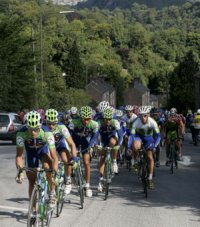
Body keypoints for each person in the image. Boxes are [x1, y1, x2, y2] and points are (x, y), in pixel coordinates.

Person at [15, 110, 58, 209]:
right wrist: (20, 172)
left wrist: (54, 172)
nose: (33, 132)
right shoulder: (21, 134)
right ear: (26, 126)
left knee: (48, 167)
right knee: (31, 180)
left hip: (43, 151)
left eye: (35, 129)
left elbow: (54, 157)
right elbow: (19, 156)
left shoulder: (47, 133)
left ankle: (52, 193)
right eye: (30, 129)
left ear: (39, 126)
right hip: (31, 154)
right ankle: (33, 210)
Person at [45, 109, 77, 195]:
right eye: (49, 123)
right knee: (50, 163)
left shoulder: (62, 127)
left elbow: (71, 143)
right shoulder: (43, 128)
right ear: (45, 122)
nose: (51, 126)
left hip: (60, 145)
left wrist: (74, 158)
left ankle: (68, 179)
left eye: (53, 124)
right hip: (49, 147)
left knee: (66, 159)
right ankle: (52, 187)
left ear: (57, 122)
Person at [70, 106, 99, 197]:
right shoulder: (73, 122)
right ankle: (72, 174)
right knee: (71, 158)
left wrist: (90, 146)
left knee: (86, 162)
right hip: (74, 140)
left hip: (85, 141)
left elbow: (94, 136)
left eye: (88, 119)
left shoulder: (94, 124)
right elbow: (68, 136)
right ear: (81, 117)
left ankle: (87, 185)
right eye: (84, 119)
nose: (86, 121)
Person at [129, 106, 161, 189]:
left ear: (148, 115)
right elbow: (131, 136)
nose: (143, 118)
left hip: (148, 138)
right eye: (141, 116)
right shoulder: (136, 122)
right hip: (138, 137)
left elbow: (158, 136)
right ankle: (136, 161)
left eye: (145, 116)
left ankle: (150, 179)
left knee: (150, 157)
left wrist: (154, 145)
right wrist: (130, 147)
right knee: (135, 146)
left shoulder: (153, 122)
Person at [97, 108, 123, 192]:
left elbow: (120, 135)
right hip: (103, 138)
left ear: (112, 118)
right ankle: (100, 181)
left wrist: (118, 145)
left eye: (109, 119)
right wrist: (98, 145)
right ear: (103, 118)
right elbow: (96, 135)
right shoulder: (99, 122)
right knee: (102, 158)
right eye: (106, 119)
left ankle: (114, 162)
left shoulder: (115, 122)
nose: (107, 121)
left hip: (112, 136)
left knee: (113, 143)